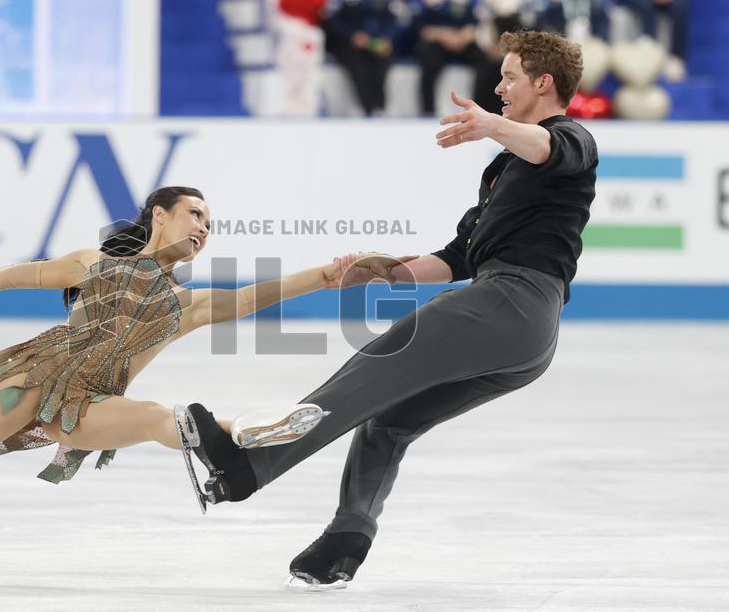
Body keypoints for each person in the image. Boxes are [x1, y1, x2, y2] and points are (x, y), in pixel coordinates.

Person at [179, 30, 598, 590]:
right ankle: (345, 541)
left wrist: (492, 125)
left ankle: (246, 467)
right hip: (522, 333)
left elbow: (552, 149)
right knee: (388, 421)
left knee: (373, 369)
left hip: (513, 302)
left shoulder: (571, 139)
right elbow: (456, 258)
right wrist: (388, 272)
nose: (499, 87)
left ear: (544, 84)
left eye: (510, 77)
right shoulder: (501, 171)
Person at [0, 186, 358, 573]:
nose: (203, 229)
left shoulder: (186, 305)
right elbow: (3, 277)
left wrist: (327, 275)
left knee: (155, 419)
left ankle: (246, 427)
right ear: (158, 215)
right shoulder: (92, 263)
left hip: (90, 405)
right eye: (195, 215)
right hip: (36, 378)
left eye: (210, 226)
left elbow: (250, 297)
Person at [411, 0, 501, 115]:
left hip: (463, 39)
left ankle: (482, 109)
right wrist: (443, 35)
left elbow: (478, 17)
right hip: (435, 39)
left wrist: (466, 34)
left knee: (485, 63)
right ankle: (427, 111)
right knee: (429, 64)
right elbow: (417, 24)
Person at [323, 0, 401, 116]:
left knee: (381, 64)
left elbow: (398, 15)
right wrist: (352, 35)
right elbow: (331, 16)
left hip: (379, 40)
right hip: (350, 41)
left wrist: (387, 37)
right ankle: (366, 109)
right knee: (359, 65)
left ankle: (380, 108)